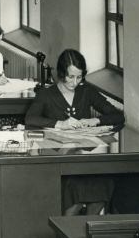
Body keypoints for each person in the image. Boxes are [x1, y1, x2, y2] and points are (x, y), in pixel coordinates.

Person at [25, 48, 125, 215]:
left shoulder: (86, 91)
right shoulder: (47, 94)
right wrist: (60, 124)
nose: (75, 82)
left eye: (79, 77)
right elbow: (30, 118)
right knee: (75, 189)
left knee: (102, 183)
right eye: (71, 77)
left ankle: (87, 229)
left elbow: (118, 116)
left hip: (84, 160)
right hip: (59, 162)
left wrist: (96, 120)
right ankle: (67, 232)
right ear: (62, 73)